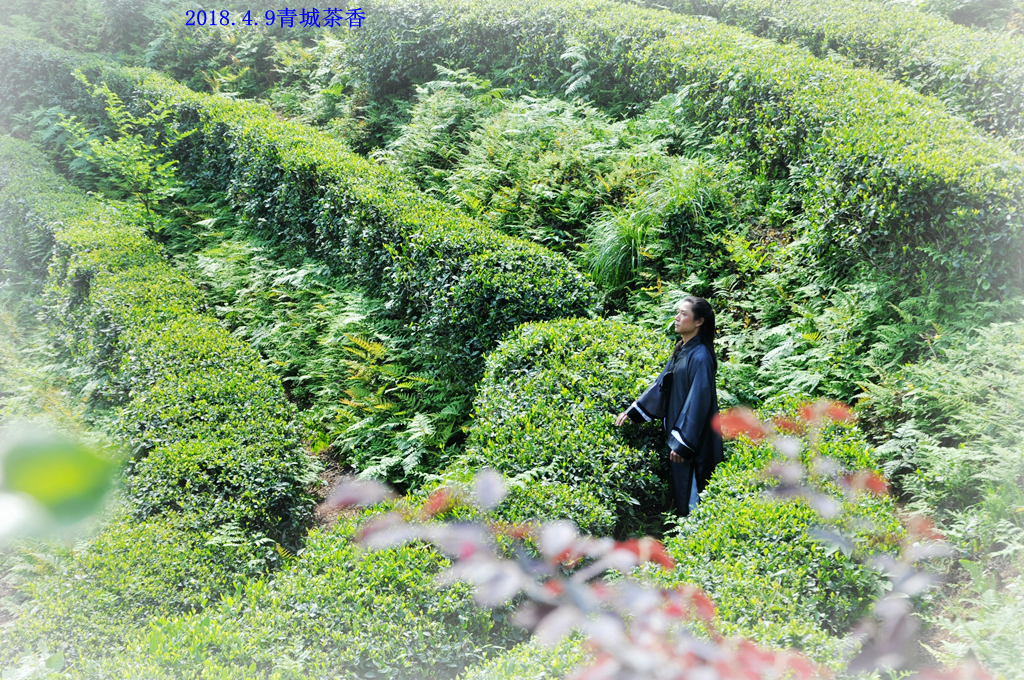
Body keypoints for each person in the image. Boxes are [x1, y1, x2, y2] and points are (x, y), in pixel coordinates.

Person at [614, 296, 724, 517]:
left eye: (684, 314)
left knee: (694, 496)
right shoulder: (683, 348)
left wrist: (683, 443)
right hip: (680, 437)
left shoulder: (701, 356)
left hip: (696, 443)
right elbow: (661, 385)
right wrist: (634, 412)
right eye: (678, 312)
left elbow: (698, 402)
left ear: (699, 321)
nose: (677, 317)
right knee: (683, 494)